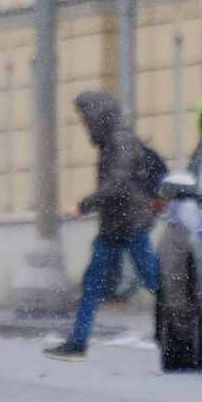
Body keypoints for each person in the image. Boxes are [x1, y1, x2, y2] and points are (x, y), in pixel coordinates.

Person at [44, 91, 160, 361]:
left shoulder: (119, 141)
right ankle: (77, 342)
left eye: (86, 118)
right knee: (93, 282)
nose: (85, 124)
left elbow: (117, 186)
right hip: (115, 225)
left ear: (98, 117)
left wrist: (82, 206)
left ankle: (184, 325)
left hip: (130, 224)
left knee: (152, 278)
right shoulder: (111, 140)